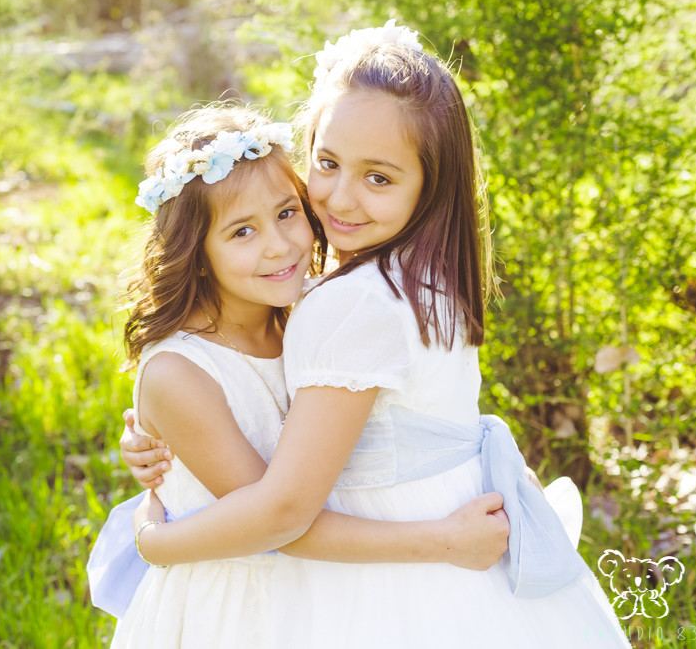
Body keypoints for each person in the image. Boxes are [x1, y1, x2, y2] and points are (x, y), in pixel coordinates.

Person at [128, 24, 630, 648]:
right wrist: (160, 444)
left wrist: (154, 541)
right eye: (328, 164)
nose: (339, 198)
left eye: (379, 178)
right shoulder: (411, 277)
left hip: (389, 561)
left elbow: (284, 506)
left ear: (430, 182)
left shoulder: (343, 303)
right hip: (304, 572)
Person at [94, 103, 513, 648]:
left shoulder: (303, 312)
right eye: (242, 231)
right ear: (195, 253)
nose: (280, 245)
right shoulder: (181, 372)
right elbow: (278, 520)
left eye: (287, 212)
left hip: (317, 590)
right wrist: (442, 540)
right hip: (231, 610)